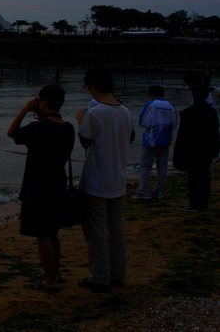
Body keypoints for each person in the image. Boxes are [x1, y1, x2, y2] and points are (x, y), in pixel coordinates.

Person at [7, 84, 75, 292]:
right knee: (52, 232)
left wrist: (25, 110)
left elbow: (12, 132)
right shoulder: (68, 128)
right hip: (57, 185)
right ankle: (55, 273)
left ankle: (50, 281)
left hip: (38, 188)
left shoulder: (40, 128)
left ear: (43, 102)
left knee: (42, 234)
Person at [75, 67, 134, 293]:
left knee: (96, 230)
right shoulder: (124, 111)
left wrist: (80, 121)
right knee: (116, 228)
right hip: (118, 178)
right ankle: (117, 273)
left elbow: (86, 142)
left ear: (93, 87)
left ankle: (99, 275)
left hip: (98, 180)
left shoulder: (96, 113)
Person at [173, 86, 220, 211]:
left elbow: (183, 135)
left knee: (194, 177)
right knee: (205, 177)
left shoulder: (189, 113)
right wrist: (215, 151)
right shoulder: (211, 112)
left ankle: (195, 203)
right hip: (207, 151)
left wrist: (178, 152)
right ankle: (203, 202)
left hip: (193, 151)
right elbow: (215, 133)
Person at [134, 86, 176, 199]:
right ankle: (159, 191)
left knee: (145, 166)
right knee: (162, 166)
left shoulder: (151, 105)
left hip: (151, 140)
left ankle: (144, 191)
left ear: (151, 94)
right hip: (166, 139)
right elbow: (174, 123)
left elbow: (143, 122)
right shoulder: (170, 106)